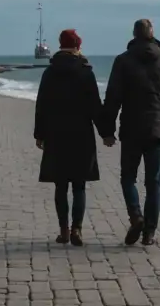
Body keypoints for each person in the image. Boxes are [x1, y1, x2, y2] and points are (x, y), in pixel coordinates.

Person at [103, 18, 160, 246]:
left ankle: (136, 216)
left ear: (134, 34)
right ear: (152, 34)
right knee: (153, 183)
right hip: (157, 130)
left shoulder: (122, 61)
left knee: (128, 178)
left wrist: (107, 130)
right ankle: (149, 233)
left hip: (131, 128)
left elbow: (112, 98)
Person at [34, 29, 111, 247]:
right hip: (81, 135)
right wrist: (106, 133)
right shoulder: (86, 72)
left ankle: (64, 231)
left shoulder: (49, 72)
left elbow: (42, 106)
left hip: (56, 134)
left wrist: (39, 134)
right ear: (78, 46)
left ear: (60, 45)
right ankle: (77, 229)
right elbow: (95, 106)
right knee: (79, 185)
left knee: (60, 186)